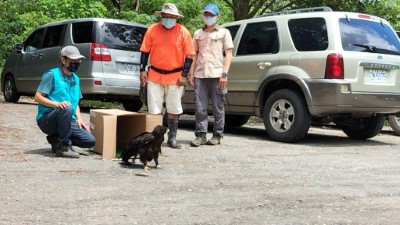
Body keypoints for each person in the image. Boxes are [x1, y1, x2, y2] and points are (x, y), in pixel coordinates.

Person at [139, 3, 195, 149]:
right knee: (154, 109)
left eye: (172, 17)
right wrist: (142, 70)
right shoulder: (152, 29)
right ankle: (155, 139)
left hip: (175, 76)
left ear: (176, 18)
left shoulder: (183, 32)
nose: (168, 19)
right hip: (155, 74)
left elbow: (189, 55)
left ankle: (172, 138)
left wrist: (184, 75)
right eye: (166, 16)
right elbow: (145, 51)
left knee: (173, 109)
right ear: (161, 16)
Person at [34, 45, 96, 158]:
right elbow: (38, 97)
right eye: (72, 60)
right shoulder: (52, 75)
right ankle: (63, 147)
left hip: (67, 118)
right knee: (66, 108)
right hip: (48, 118)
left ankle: (56, 140)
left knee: (90, 141)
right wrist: (57, 104)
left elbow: (75, 102)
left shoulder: (76, 79)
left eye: (78, 61)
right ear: (63, 60)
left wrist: (79, 118)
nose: (76, 63)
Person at [189, 3, 233, 147]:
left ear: (217, 16)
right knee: (199, 107)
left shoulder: (224, 33)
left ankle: (217, 135)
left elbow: (228, 54)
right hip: (200, 75)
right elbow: (194, 55)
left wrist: (224, 73)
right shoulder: (197, 34)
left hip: (217, 75)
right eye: (206, 14)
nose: (209, 17)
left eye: (212, 15)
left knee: (217, 106)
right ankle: (201, 135)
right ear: (203, 16)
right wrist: (191, 73)